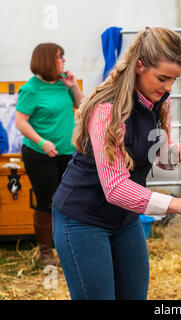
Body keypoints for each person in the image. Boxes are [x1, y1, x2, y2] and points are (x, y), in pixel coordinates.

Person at [51, 27, 181, 300]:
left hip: (124, 218)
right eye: (163, 78)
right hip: (83, 218)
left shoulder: (158, 102)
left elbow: (151, 153)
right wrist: (177, 204)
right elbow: (116, 187)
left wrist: (174, 152)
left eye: (174, 80)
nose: (168, 87)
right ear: (139, 66)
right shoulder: (107, 109)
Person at [15, 43, 84, 265]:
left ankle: (67, 244)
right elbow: (20, 122)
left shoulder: (63, 83)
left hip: (67, 151)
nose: (64, 60)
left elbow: (82, 107)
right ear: (47, 60)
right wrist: (42, 142)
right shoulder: (31, 89)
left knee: (70, 200)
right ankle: (46, 251)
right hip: (39, 154)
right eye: (59, 56)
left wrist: (73, 86)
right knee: (47, 200)